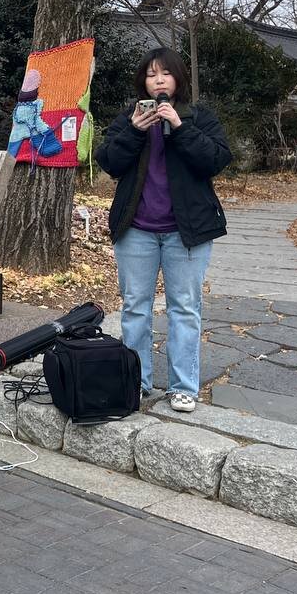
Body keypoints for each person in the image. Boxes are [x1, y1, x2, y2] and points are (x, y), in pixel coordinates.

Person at [94, 47, 231, 414]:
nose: (158, 80)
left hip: (186, 233)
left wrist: (181, 128)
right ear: (143, 81)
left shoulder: (198, 117)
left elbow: (215, 160)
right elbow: (109, 162)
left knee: (184, 309)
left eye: (165, 73)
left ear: (177, 80)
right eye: (151, 74)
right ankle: (135, 381)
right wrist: (134, 132)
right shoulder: (130, 118)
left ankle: (183, 387)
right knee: (135, 307)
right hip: (136, 230)